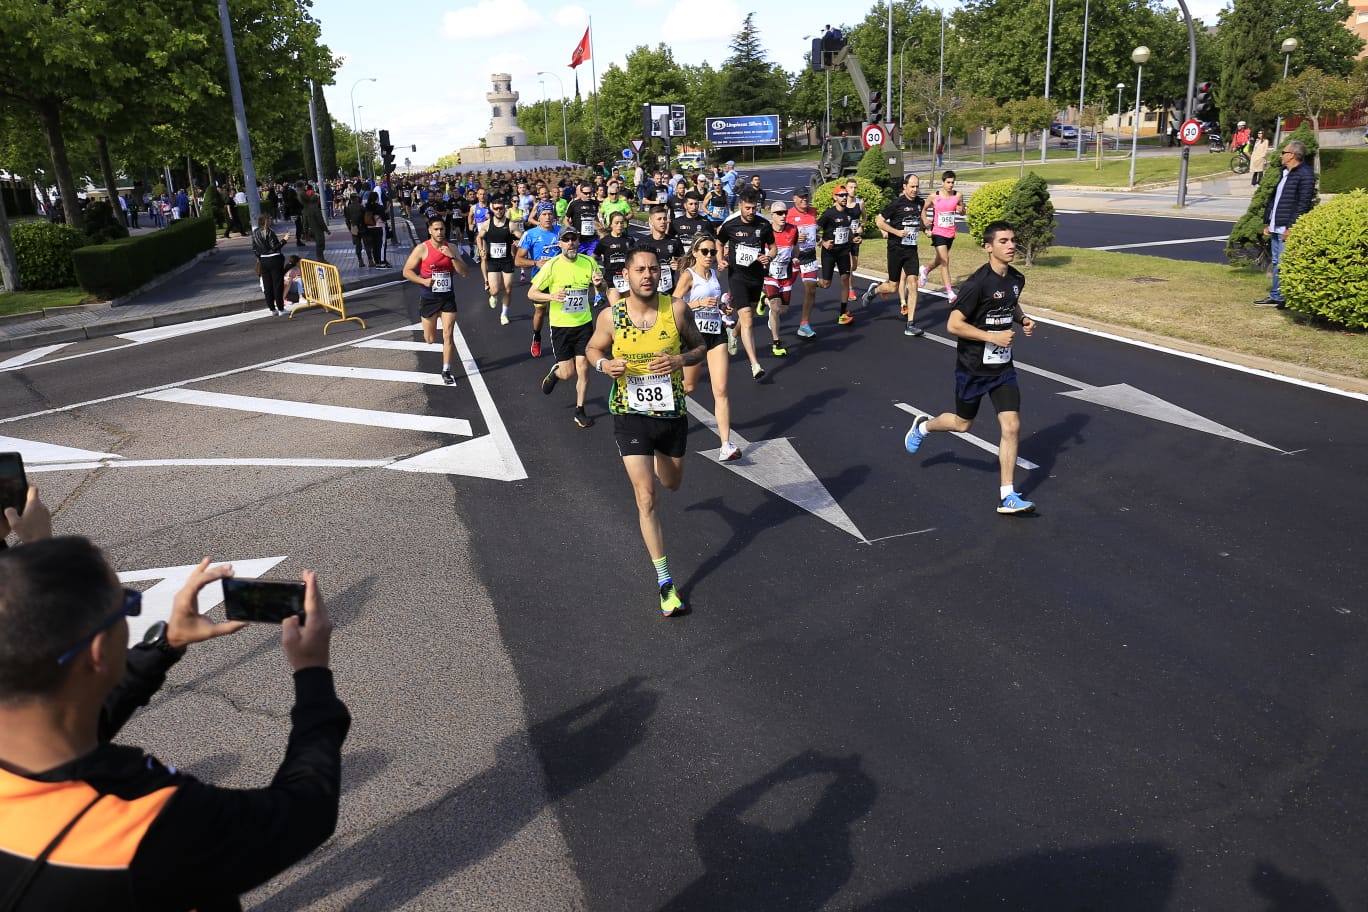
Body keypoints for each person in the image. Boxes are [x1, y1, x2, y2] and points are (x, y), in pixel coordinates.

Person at [0, 533, 347, 910]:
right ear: (98, 651)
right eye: (127, 607)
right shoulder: (146, 823)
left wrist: (166, 643)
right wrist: (312, 674)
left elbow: (79, 721)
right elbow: (305, 812)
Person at [585, 247, 708, 617]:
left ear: (661, 274)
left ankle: (659, 456)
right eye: (640, 270)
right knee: (646, 497)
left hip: (670, 414)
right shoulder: (612, 315)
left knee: (671, 483)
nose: (647, 276)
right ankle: (665, 582)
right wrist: (604, 363)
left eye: (654, 270)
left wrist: (678, 360)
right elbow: (593, 348)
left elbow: (701, 347)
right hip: (629, 413)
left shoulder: (677, 310)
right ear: (626, 274)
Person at [903, 221, 1037, 515]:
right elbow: (953, 324)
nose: (1011, 245)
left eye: (1013, 240)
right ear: (989, 247)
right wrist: (992, 336)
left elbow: (1009, 302)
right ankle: (924, 426)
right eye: (1003, 241)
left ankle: (1008, 494)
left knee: (1012, 426)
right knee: (963, 425)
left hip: (1002, 367)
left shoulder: (1016, 278)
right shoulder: (977, 283)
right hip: (972, 367)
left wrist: (1022, 319)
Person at [673, 234, 739, 460]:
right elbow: (674, 305)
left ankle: (726, 445)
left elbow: (716, 302)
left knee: (721, 389)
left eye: (713, 252)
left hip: (715, 334)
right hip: (694, 336)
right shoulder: (688, 276)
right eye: (705, 252)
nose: (710, 256)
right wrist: (698, 304)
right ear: (695, 253)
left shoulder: (714, 275)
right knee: (689, 387)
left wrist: (723, 308)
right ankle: (662, 402)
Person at [530, 229, 604, 429]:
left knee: (583, 367)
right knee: (568, 372)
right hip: (561, 326)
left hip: (584, 323)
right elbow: (532, 293)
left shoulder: (588, 262)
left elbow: (601, 288)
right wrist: (551, 297)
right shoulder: (552, 266)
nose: (571, 243)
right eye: (566, 240)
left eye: (574, 239)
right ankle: (556, 373)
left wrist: (598, 285)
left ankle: (580, 410)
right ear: (560, 244)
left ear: (578, 242)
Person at [402, 216, 469, 384]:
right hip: (429, 298)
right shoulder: (422, 249)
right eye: (436, 229)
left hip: (447, 297)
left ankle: (446, 370)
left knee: (448, 334)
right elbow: (407, 271)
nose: (440, 232)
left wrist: (452, 257)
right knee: (430, 339)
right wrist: (423, 281)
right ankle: (431, 335)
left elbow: (465, 272)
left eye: (442, 229)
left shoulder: (451, 247)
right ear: (430, 230)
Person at [717, 190, 776, 379]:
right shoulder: (731, 224)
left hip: (756, 276)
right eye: (747, 208)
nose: (751, 211)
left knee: (746, 318)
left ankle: (733, 334)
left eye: (754, 208)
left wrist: (769, 256)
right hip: (737, 277)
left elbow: (773, 247)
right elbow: (719, 242)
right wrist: (720, 259)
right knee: (748, 319)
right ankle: (755, 364)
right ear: (740, 205)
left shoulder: (764, 224)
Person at [1255, 140, 1315, 309]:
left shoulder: (1305, 174)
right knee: (1276, 261)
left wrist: (1291, 227)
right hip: (1276, 224)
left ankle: (1284, 298)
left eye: (1284, 153)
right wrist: (1268, 222)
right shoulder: (1284, 173)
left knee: (1284, 263)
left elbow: (1303, 204)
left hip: (1287, 227)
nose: (1281, 156)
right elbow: (1275, 200)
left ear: (1293, 155)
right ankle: (1276, 296)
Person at [868, 172, 928, 334]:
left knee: (913, 283)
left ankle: (910, 324)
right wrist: (896, 232)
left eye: (917, 186)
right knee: (893, 287)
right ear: (904, 187)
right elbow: (879, 221)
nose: (915, 189)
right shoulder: (896, 204)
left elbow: (918, 221)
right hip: (895, 249)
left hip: (911, 249)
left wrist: (925, 229)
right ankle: (874, 291)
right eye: (912, 186)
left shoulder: (919, 203)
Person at [514, 208, 563, 357]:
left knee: (562, 311)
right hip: (540, 279)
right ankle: (537, 336)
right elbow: (518, 260)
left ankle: (562, 342)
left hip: (560, 278)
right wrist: (536, 263)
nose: (548, 217)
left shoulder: (562, 231)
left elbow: (574, 248)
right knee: (541, 311)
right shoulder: (530, 234)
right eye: (544, 214)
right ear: (538, 217)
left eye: (550, 214)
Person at [760, 200, 797, 358]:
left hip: (785, 275)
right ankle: (776, 343)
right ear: (772, 215)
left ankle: (764, 300)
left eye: (785, 213)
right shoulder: (765, 231)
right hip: (770, 275)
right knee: (775, 308)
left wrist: (796, 258)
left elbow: (795, 248)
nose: (783, 216)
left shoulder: (793, 230)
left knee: (783, 309)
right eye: (779, 213)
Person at [816, 187, 858, 325]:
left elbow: (848, 232)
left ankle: (842, 313)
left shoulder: (849, 213)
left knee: (845, 278)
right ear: (834, 197)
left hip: (843, 252)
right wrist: (823, 242)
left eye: (845, 195)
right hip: (829, 252)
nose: (844, 198)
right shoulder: (829, 214)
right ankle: (813, 282)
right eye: (841, 195)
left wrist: (854, 238)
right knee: (826, 284)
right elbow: (813, 230)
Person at [922, 170, 964, 302]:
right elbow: (923, 209)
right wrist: (925, 222)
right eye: (948, 182)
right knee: (945, 261)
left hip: (950, 233)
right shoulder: (934, 196)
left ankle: (925, 269)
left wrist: (961, 210)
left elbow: (963, 211)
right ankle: (950, 292)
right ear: (943, 182)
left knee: (940, 260)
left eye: (952, 182)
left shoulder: (958, 196)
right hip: (938, 232)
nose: (951, 185)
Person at [785, 190, 821, 339]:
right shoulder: (788, 214)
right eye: (801, 197)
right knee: (784, 291)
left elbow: (815, 232)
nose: (805, 199)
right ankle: (766, 295)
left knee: (811, 289)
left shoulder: (813, 212)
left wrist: (819, 238)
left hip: (810, 256)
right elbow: (781, 235)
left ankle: (804, 324)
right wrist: (795, 239)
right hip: (793, 257)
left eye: (806, 196)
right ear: (794, 199)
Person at [478, 198, 519, 325]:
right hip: (493, 261)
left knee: (508, 289)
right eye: (496, 208)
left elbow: (522, 237)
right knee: (495, 290)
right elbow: (479, 237)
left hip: (507, 260)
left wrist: (519, 242)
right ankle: (493, 295)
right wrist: (480, 250)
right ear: (492, 209)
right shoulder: (487, 224)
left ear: (504, 209)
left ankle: (504, 314)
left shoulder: (511, 224)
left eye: (501, 208)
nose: (499, 210)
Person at [638, 206, 685, 297]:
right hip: (648, 288)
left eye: (664, 219)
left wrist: (678, 265)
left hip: (669, 290)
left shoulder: (674, 241)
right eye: (659, 219)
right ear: (651, 222)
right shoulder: (641, 243)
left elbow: (683, 262)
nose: (663, 222)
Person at [252, 214, 290, 316]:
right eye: (269, 220)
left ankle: (272, 309)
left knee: (267, 285)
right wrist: (284, 240)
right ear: (266, 222)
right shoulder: (269, 232)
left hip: (263, 261)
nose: (271, 221)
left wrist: (260, 258)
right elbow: (274, 247)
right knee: (277, 285)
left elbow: (255, 249)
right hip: (274, 259)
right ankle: (281, 309)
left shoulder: (255, 233)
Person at [596, 211, 634, 305]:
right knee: (617, 310)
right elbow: (594, 257)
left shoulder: (629, 239)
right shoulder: (605, 241)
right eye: (616, 223)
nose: (620, 225)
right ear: (611, 224)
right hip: (611, 280)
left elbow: (635, 257)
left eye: (622, 223)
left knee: (629, 308)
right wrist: (596, 271)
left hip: (628, 279)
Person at [301, 186, 330, 263]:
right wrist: (326, 230)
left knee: (318, 244)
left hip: (310, 230)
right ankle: (320, 259)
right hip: (317, 230)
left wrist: (305, 232)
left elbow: (304, 222)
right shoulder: (316, 209)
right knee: (320, 244)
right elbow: (320, 221)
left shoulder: (305, 209)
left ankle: (320, 258)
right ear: (317, 201)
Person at [343, 190, 370, 267]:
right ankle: (370, 260)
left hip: (354, 227)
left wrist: (350, 228)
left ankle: (360, 261)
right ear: (356, 198)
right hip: (363, 227)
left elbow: (347, 220)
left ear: (351, 199)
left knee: (358, 245)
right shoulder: (361, 207)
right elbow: (366, 217)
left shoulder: (348, 208)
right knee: (367, 244)